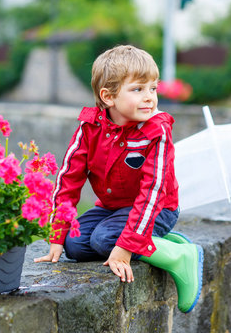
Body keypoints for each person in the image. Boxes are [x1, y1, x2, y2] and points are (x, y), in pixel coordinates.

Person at [34, 45, 203, 313]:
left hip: (157, 210)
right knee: (74, 244)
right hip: (113, 209)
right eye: (138, 89)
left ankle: (179, 256)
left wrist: (125, 247)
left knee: (104, 240)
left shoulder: (156, 132)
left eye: (153, 89)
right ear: (108, 97)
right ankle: (157, 242)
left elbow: (153, 192)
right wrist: (56, 234)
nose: (149, 97)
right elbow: (68, 179)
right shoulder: (90, 127)